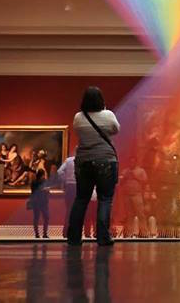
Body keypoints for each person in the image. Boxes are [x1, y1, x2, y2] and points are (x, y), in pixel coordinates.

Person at [66, 86, 120, 246]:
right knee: (105, 199)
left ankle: (74, 237)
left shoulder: (78, 117)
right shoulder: (108, 115)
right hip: (106, 161)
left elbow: (77, 131)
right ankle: (103, 237)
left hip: (84, 162)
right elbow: (116, 129)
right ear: (101, 100)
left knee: (81, 199)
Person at [30, 169, 51, 238]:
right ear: (42, 175)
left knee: (36, 218)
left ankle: (37, 234)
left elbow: (33, 192)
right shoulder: (44, 182)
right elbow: (47, 191)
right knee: (46, 218)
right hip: (43, 202)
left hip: (36, 202)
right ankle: (44, 234)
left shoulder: (33, 182)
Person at [59, 154, 76, 237]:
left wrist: (65, 180)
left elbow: (60, 172)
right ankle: (73, 233)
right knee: (76, 211)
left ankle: (66, 232)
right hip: (77, 186)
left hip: (69, 186)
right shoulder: (83, 160)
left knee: (69, 210)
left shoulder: (68, 160)